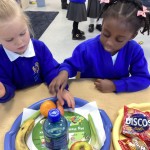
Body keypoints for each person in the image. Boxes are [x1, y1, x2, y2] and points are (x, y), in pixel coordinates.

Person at [49, 0, 150, 94]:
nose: (109, 43)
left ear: (132, 36)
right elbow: (70, 65)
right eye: (106, 34)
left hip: (117, 99)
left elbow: (143, 79)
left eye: (119, 40)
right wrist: (64, 73)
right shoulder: (86, 48)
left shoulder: (134, 50)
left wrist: (115, 85)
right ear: (102, 23)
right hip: (91, 95)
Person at [0, 0, 75, 108]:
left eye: (22, 33)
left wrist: (59, 88)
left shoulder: (39, 48)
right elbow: (8, 90)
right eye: (9, 39)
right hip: (19, 105)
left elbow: (51, 71)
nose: (19, 42)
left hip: (43, 99)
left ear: (28, 26)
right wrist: (3, 91)